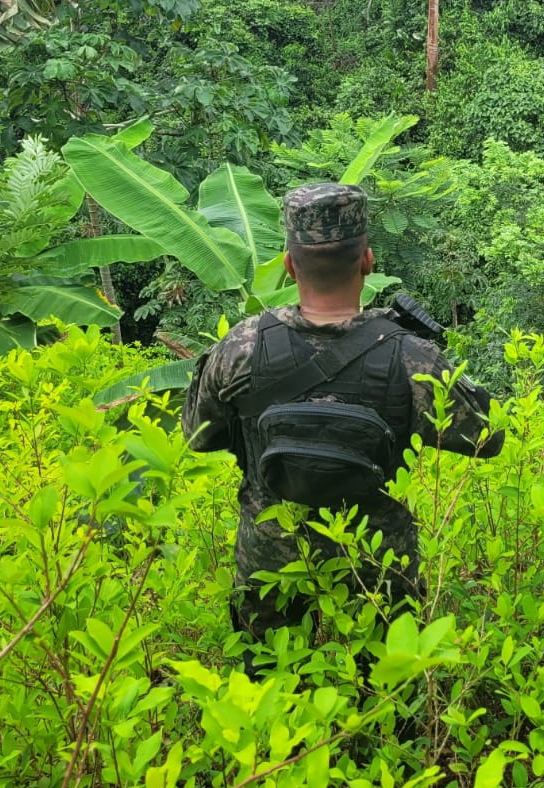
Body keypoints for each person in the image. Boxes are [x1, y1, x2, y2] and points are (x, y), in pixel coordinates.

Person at [180, 182, 501, 650]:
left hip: (271, 555)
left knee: (267, 688)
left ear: (290, 265)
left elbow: (197, 436)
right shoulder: (411, 357)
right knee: (389, 698)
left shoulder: (241, 348)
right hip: (376, 557)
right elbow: (485, 439)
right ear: (367, 262)